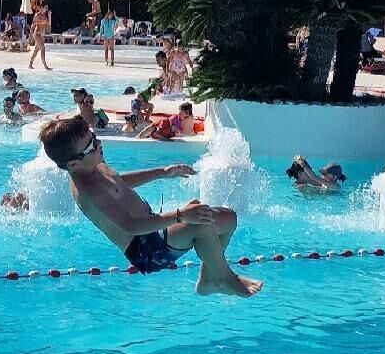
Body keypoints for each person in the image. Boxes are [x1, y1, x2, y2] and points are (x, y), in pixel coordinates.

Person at [39, 116, 261, 298]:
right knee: (199, 223)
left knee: (227, 218)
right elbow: (130, 226)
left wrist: (162, 173)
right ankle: (225, 278)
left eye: (95, 138)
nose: (99, 145)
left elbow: (118, 182)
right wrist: (180, 215)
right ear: (73, 164)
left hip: (153, 229)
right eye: (91, 146)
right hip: (146, 249)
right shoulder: (87, 191)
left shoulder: (94, 165)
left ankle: (209, 279)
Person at [28, 1, 51, 71]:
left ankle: (30, 64)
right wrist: (30, 36)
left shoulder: (44, 16)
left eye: (47, 8)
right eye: (45, 8)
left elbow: (49, 24)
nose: (46, 9)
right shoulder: (37, 15)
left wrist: (50, 15)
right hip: (37, 34)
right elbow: (33, 25)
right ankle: (45, 66)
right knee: (43, 48)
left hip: (41, 35)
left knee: (36, 50)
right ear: (41, 7)